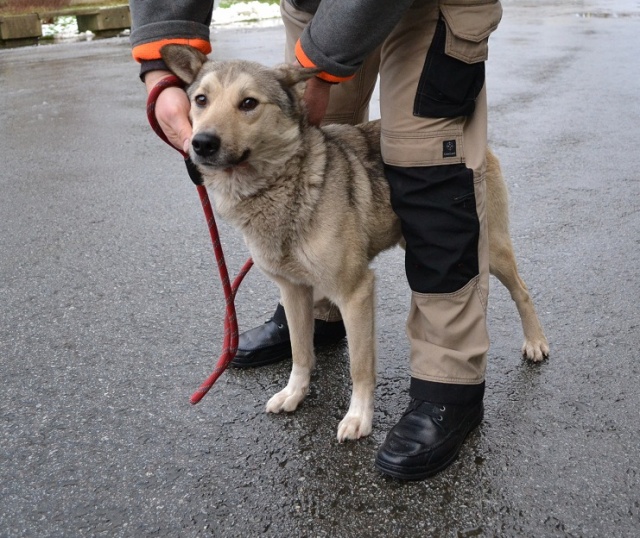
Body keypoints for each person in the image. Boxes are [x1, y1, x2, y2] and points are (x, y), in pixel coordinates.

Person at [129, 0, 503, 480]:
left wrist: (320, 66)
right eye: (202, 101)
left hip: (431, 7)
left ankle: (448, 382)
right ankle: (317, 326)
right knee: (325, 121)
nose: (207, 130)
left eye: (245, 104)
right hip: (315, 9)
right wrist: (159, 63)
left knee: (426, 157)